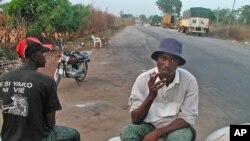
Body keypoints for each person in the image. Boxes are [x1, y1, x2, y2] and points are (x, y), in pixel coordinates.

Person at [0, 37, 80, 141]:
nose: (45, 56)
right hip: (38, 137)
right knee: (74, 134)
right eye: (43, 53)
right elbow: (51, 123)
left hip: (7, 137)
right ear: (34, 56)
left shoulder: (3, 79)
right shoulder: (46, 82)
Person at [120, 38, 199, 141]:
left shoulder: (189, 80)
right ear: (156, 60)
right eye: (163, 59)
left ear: (178, 63)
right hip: (148, 125)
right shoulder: (143, 79)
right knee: (128, 132)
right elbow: (135, 119)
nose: (167, 65)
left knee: (179, 138)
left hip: (175, 127)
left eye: (173, 60)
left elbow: (188, 117)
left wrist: (158, 132)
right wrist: (151, 96)